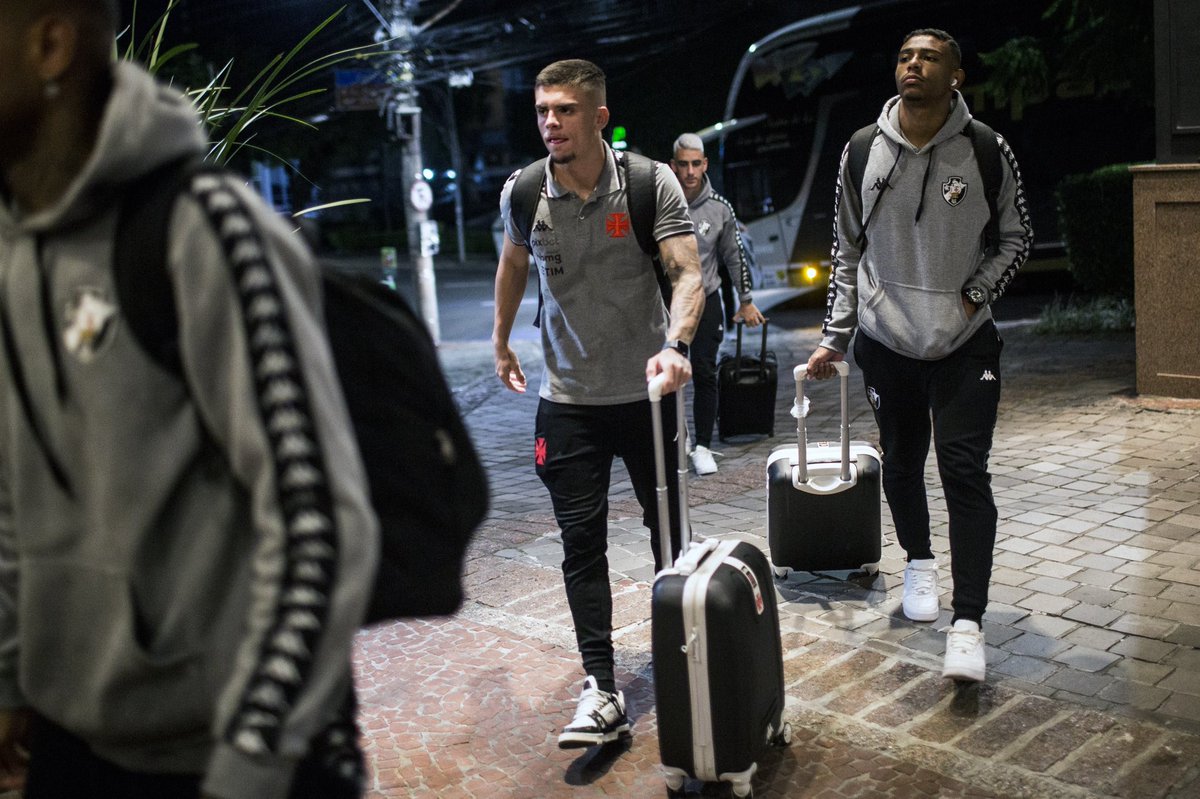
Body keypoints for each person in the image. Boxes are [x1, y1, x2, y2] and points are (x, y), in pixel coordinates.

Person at [0, 2, 379, 797]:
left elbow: (319, 522)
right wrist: (10, 676)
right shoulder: (15, 248)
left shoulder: (205, 230)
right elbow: (13, 488)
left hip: (226, 749)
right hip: (73, 737)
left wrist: (253, 761)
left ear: (49, 44)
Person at [806, 28, 1032, 683]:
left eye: (929, 57)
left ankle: (969, 624)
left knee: (964, 470)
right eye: (905, 55)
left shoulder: (985, 148)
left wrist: (975, 294)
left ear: (955, 74)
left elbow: (1017, 237)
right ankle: (920, 562)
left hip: (964, 343)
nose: (914, 64)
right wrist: (834, 335)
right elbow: (846, 250)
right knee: (902, 463)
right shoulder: (861, 150)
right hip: (887, 342)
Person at [492, 59, 704, 749]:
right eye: (542, 111)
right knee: (580, 545)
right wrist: (501, 341)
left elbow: (687, 273)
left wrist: (677, 345)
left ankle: (687, 654)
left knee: (670, 534)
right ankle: (602, 687)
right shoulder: (524, 191)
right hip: (568, 400)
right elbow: (513, 263)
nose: (551, 122)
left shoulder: (647, 183)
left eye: (565, 110)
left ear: (599, 116)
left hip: (648, 393)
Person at [669, 133, 764, 475]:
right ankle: (676, 439)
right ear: (673, 166)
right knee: (670, 375)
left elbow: (735, 256)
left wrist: (746, 300)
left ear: (705, 164)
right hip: (668, 304)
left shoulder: (720, 208)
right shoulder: (662, 203)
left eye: (696, 164)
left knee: (705, 372)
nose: (690, 172)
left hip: (706, 300)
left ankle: (703, 447)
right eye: (684, 164)